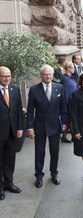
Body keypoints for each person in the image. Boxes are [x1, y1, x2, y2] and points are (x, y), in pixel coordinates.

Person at [27, 65, 67, 188]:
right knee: (39, 152)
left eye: (50, 74)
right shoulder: (34, 90)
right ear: (41, 75)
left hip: (55, 125)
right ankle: (39, 176)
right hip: (39, 126)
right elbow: (29, 111)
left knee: (54, 151)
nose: (48, 76)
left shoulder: (59, 88)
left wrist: (64, 122)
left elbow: (63, 108)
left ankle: (54, 173)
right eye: (45, 74)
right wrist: (30, 127)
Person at [0, 66, 23, 201]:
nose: (7, 78)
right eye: (4, 76)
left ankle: (9, 183)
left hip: (12, 132)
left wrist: (20, 128)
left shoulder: (15, 90)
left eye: (9, 76)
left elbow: (19, 110)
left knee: (10, 159)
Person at [61, 61, 78, 143]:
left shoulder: (72, 77)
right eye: (72, 67)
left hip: (73, 102)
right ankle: (73, 136)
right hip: (69, 103)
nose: (74, 69)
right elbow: (66, 93)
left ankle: (64, 136)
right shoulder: (65, 79)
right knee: (71, 119)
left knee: (69, 120)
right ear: (68, 68)